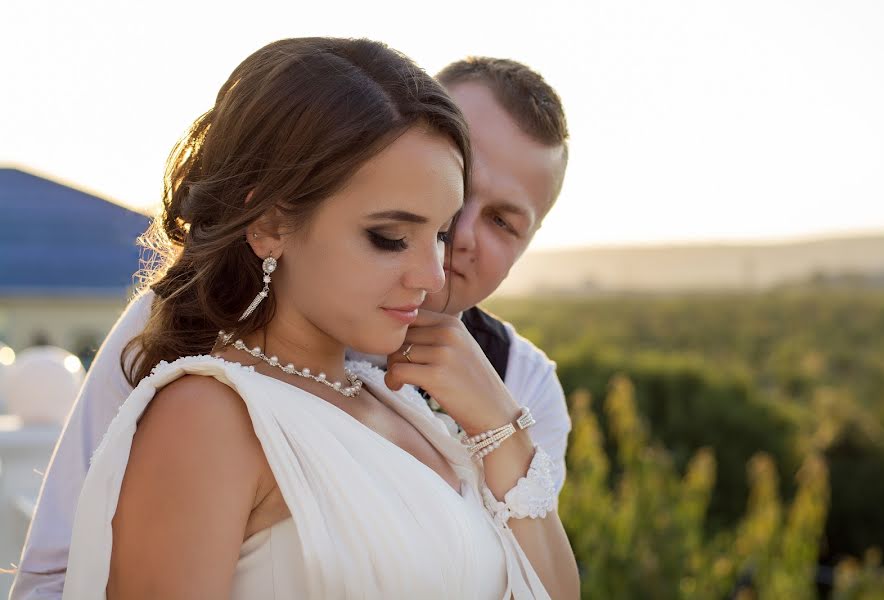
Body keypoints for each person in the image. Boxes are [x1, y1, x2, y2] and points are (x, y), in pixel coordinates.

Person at [10, 38, 580, 599]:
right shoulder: (205, 410)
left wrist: (500, 426)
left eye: (439, 231)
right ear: (270, 223)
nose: (438, 271)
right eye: (388, 237)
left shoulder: (415, 402)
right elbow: (56, 571)